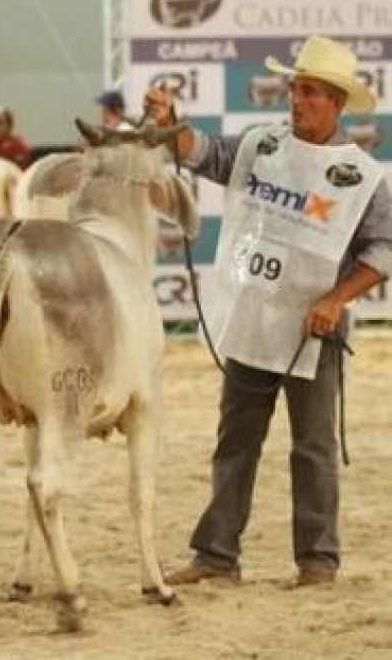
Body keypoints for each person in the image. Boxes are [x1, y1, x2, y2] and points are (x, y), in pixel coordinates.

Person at [144, 35, 392, 588]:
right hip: (255, 321)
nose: (295, 100)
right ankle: (216, 556)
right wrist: (169, 121)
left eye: (308, 92)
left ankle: (317, 562)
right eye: (294, 89)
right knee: (236, 440)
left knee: (313, 447)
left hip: (314, 329)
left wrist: (335, 298)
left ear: (336, 103)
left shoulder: (362, 176)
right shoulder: (262, 145)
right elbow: (200, 152)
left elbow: (383, 251)